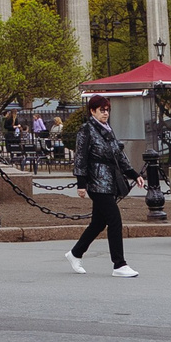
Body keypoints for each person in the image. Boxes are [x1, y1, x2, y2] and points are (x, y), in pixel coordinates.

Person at [68, 95, 137, 277]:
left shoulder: (106, 129)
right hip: (97, 183)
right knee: (114, 220)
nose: (105, 113)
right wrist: (81, 184)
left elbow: (118, 154)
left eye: (107, 110)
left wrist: (134, 174)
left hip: (109, 181)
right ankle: (119, 264)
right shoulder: (87, 130)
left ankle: (75, 253)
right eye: (102, 110)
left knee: (98, 223)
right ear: (92, 111)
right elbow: (80, 158)